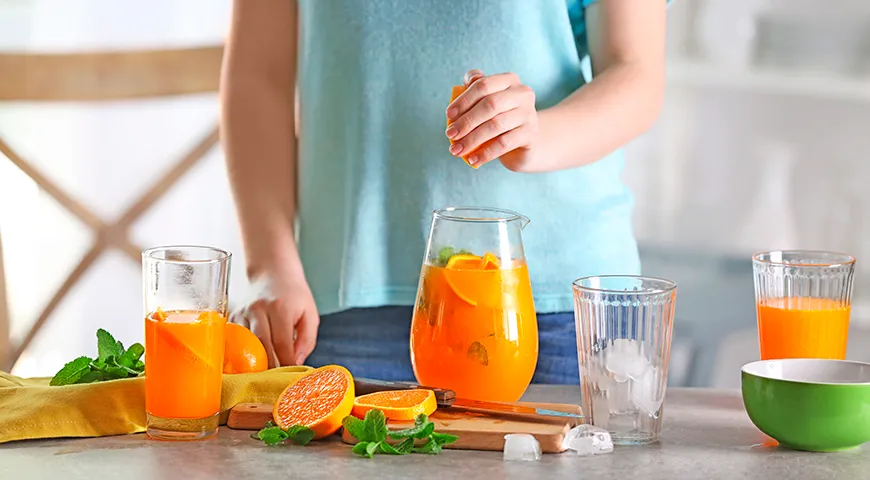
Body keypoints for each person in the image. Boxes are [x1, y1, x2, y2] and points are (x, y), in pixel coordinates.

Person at [221, 0, 666, 383]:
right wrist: (270, 266)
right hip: (343, 301)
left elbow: (635, 71)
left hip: (561, 305)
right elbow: (258, 80)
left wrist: (537, 136)